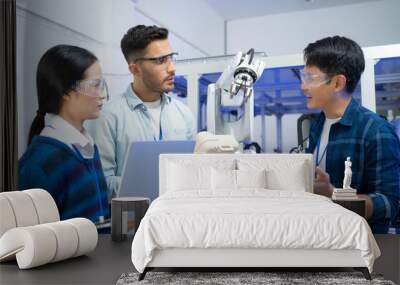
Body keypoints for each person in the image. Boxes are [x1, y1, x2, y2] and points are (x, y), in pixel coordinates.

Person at [301, 36, 400, 233]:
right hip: (320, 235)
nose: (302, 86)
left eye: (310, 78)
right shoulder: (317, 126)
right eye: (303, 77)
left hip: (356, 248)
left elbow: (390, 204)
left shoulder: (376, 130)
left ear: (338, 83)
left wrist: (333, 194)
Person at [87, 25, 196, 199]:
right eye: (161, 61)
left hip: (176, 216)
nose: (172, 68)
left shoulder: (183, 115)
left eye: (171, 58)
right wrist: (155, 185)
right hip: (133, 222)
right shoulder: (107, 117)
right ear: (134, 69)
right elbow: (100, 183)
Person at [19, 45, 110, 229]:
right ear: (66, 92)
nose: (102, 95)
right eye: (95, 86)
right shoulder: (38, 164)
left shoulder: (87, 148)